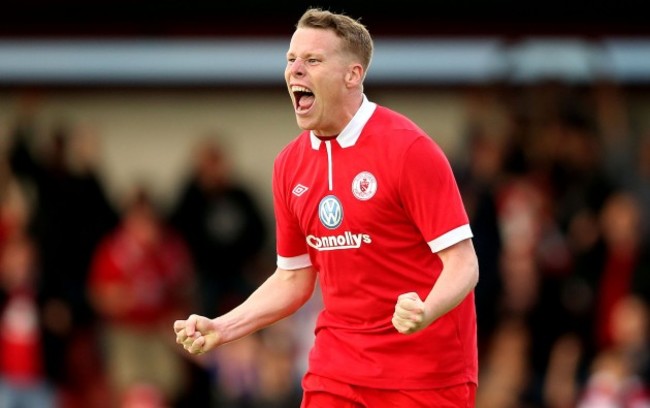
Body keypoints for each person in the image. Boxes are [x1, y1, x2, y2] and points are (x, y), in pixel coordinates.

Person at [174, 7, 480, 407]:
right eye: (291, 59)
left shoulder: (409, 149)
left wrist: (426, 310)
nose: (295, 70)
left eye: (312, 60)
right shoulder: (289, 165)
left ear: (353, 75)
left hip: (424, 373)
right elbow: (293, 279)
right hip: (336, 371)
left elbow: (463, 264)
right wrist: (223, 326)